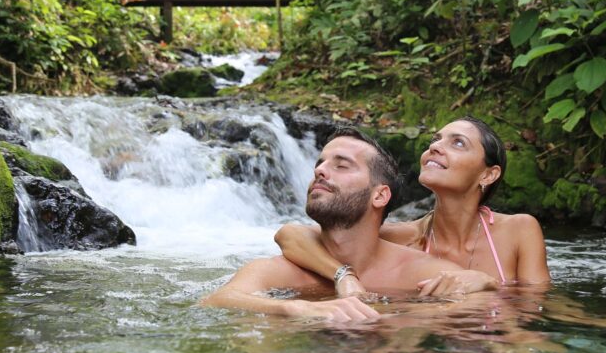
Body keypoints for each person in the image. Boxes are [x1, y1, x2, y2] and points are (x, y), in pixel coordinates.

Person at [201, 127, 496, 320]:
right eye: (320, 163)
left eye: (341, 166)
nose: (320, 171)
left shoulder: (421, 272)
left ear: (380, 195)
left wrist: (486, 281)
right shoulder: (277, 270)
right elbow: (216, 301)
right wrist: (295, 308)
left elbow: (488, 317)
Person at [275, 116, 550, 295]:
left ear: (488, 174)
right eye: (435, 140)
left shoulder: (520, 230)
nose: (436, 147)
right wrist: (342, 276)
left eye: (457, 143)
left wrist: (489, 284)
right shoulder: (406, 237)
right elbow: (291, 235)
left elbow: (536, 308)